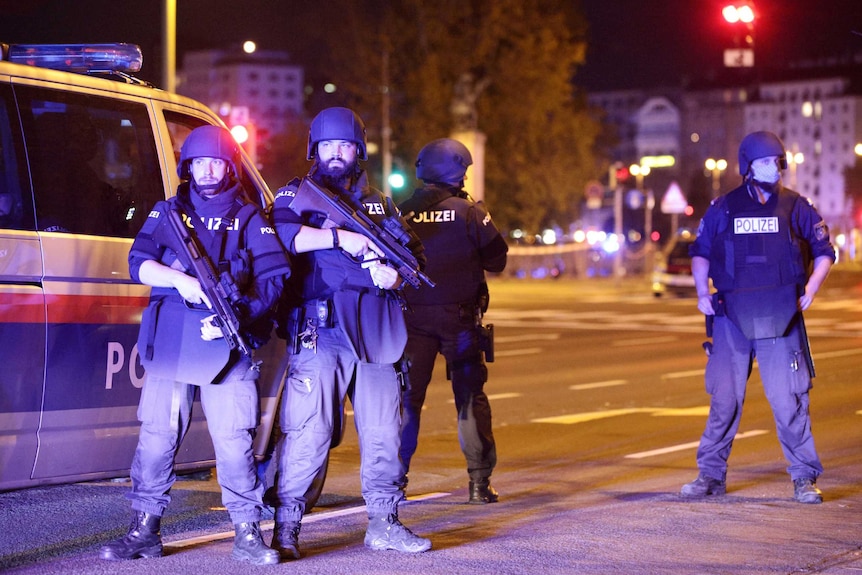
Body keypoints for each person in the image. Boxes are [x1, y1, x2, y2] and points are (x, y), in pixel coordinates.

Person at [100, 125, 291, 565]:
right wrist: (182, 281)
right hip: (172, 340)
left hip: (228, 339)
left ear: (229, 166)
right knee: (157, 437)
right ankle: (144, 530)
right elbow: (138, 263)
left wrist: (238, 315)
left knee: (234, 439)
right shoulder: (168, 213)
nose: (207, 170)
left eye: (216, 162)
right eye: (199, 162)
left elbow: (274, 279)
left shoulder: (248, 218)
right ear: (188, 167)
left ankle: (247, 532)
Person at [269, 107, 431, 558]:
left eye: (344, 146)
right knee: (308, 431)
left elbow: (412, 257)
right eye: (327, 146)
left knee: (383, 432)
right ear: (314, 149)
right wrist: (341, 239)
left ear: (357, 149)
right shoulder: (295, 194)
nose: (335, 154)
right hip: (321, 331)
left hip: (376, 329)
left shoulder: (378, 202)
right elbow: (280, 236)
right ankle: (287, 528)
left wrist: (393, 276)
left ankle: (383, 521)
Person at [680, 130, 835, 504]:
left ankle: (803, 477)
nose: (774, 168)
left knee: (789, 400)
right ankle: (710, 476)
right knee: (725, 400)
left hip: (781, 316)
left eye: (776, 161)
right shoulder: (724, 207)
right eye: (765, 162)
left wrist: (811, 289)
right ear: (747, 166)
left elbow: (823, 250)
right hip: (731, 315)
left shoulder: (796, 205)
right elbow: (700, 252)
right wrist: (702, 292)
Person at [397, 138, 508, 504]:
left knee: (406, 402)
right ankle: (479, 484)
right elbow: (497, 260)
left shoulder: (401, 212)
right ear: (458, 170)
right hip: (459, 322)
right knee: (469, 398)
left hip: (411, 321)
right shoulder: (469, 213)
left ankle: (394, 483)